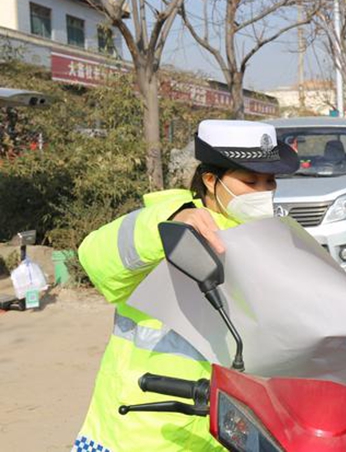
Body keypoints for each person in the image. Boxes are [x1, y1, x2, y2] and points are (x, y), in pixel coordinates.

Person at [72, 120, 299, 452]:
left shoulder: (273, 237)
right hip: (147, 426)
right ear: (210, 180)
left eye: (271, 181)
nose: (263, 192)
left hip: (233, 425)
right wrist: (165, 226)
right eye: (250, 181)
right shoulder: (168, 225)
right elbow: (95, 257)